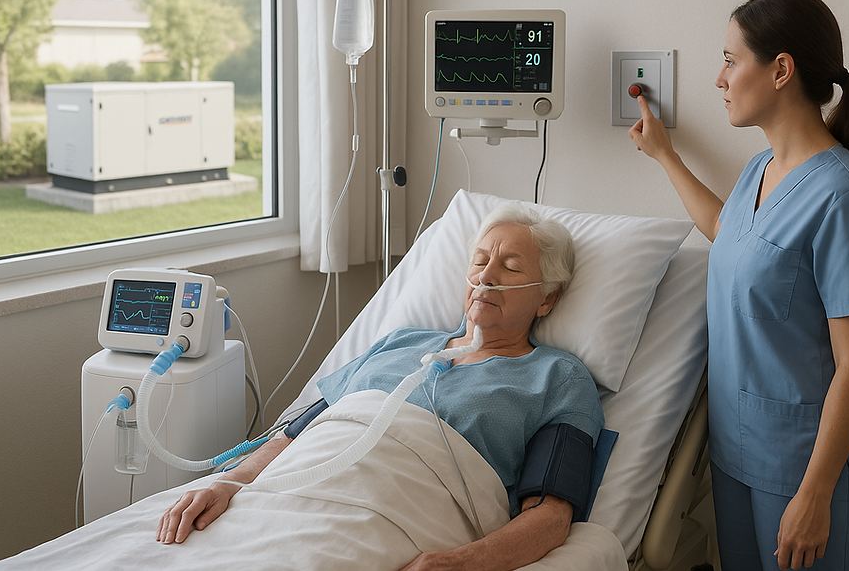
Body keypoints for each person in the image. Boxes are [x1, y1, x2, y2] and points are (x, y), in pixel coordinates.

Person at [156, 203, 604, 571]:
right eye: (481, 260)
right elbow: (300, 433)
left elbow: (549, 516)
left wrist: (460, 563)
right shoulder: (403, 341)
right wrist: (228, 482)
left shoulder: (557, 377)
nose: (486, 276)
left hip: (396, 515)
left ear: (547, 297)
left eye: (510, 267)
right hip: (286, 497)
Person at [628, 0, 849, 571]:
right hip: (739, 456)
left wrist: (816, 494)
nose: (719, 78)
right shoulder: (761, 169)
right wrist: (666, 156)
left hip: (808, 472)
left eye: (729, 59)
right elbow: (729, 233)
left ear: (780, 69)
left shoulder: (844, 198)